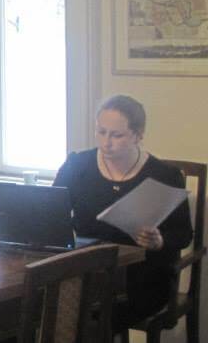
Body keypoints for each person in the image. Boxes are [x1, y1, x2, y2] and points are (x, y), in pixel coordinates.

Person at [53, 95, 192, 328]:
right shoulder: (77, 165)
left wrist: (159, 241)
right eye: (101, 132)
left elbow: (184, 234)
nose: (106, 142)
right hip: (87, 270)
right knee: (40, 307)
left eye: (117, 135)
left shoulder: (165, 175)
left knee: (90, 317)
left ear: (138, 135)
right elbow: (52, 211)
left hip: (141, 278)